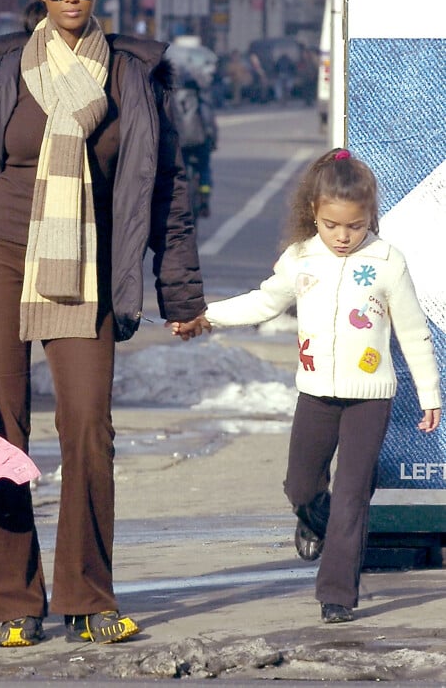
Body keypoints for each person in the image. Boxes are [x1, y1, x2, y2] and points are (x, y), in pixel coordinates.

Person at [0, 0, 207, 648]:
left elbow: (166, 190)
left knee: (87, 424)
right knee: (3, 424)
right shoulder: (3, 67)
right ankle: (16, 599)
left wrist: (182, 295)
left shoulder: (134, 73)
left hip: (86, 263)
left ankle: (89, 595)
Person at [173, 148, 441, 624]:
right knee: (300, 485)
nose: (343, 236)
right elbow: (263, 302)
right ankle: (312, 518)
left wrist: (429, 393)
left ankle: (336, 593)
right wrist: (206, 317)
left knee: (354, 495)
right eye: (332, 225)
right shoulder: (300, 259)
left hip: (369, 399)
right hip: (316, 394)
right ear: (313, 213)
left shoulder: (387, 261)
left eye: (354, 226)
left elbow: (414, 331)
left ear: (369, 218)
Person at [171, 65, 218, 218]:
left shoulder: (172, 99)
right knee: (204, 168)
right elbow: (208, 121)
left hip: (181, 143)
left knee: (180, 172)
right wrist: (212, 140)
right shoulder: (199, 99)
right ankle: (204, 199)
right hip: (199, 141)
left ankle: (181, 202)